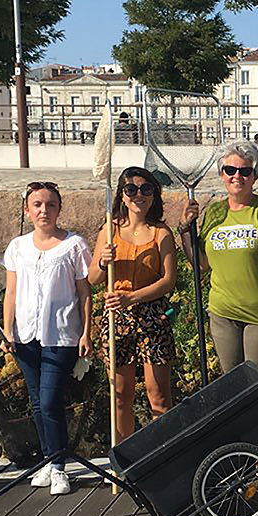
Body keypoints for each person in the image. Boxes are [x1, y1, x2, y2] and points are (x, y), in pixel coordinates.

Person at [2, 182, 93, 495]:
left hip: (61, 333)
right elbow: (11, 292)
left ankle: (58, 465)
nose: (44, 211)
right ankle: (46, 458)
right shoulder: (17, 247)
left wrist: (86, 331)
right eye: (37, 205)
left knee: (52, 399)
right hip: (26, 334)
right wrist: (7, 328)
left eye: (50, 205)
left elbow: (84, 292)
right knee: (38, 401)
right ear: (28, 210)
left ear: (59, 209)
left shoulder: (74, 245)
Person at [180, 140, 258, 374]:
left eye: (245, 171)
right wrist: (184, 230)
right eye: (230, 170)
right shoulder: (215, 212)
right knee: (231, 385)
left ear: (255, 175)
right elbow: (201, 264)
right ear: (222, 174)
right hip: (223, 314)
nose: (237, 176)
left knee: (256, 385)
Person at [88, 168, 178, 444]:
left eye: (146, 189)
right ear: (122, 196)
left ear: (154, 196)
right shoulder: (109, 229)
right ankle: (124, 456)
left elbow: (168, 281)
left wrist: (134, 297)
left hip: (152, 316)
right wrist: (103, 261)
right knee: (120, 396)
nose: (138, 194)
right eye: (131, 189)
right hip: (117, 318)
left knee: (158, 395)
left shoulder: (161, 232)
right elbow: (92, 279)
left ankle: (162, 455)